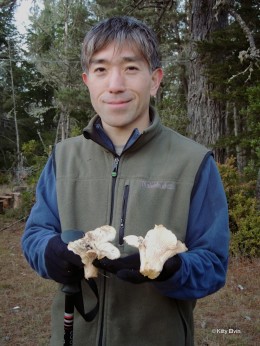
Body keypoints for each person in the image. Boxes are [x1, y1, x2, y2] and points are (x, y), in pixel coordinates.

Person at [21, 16, 230, 346]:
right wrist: (50, 252)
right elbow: (35, 234)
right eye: (101, 69)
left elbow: (214, 264)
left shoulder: (193, 163)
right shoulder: (63, 157)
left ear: (155, 80)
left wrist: (171, 269)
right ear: (87, 80)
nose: (114, 84)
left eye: (131, 68)